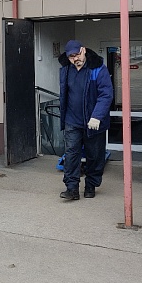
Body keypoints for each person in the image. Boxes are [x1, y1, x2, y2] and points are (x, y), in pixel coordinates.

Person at [57, 40, 114, 201]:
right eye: (71, 57)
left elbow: (106, 94)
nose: (75, 59)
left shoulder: (98, 68)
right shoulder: (66, 70)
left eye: (77, 54)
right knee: (71, 154)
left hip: (94, 122)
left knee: (94, 155)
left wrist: (97, 116)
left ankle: (91, 185)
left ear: (83, 50)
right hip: (72, 120)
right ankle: (71, 189)